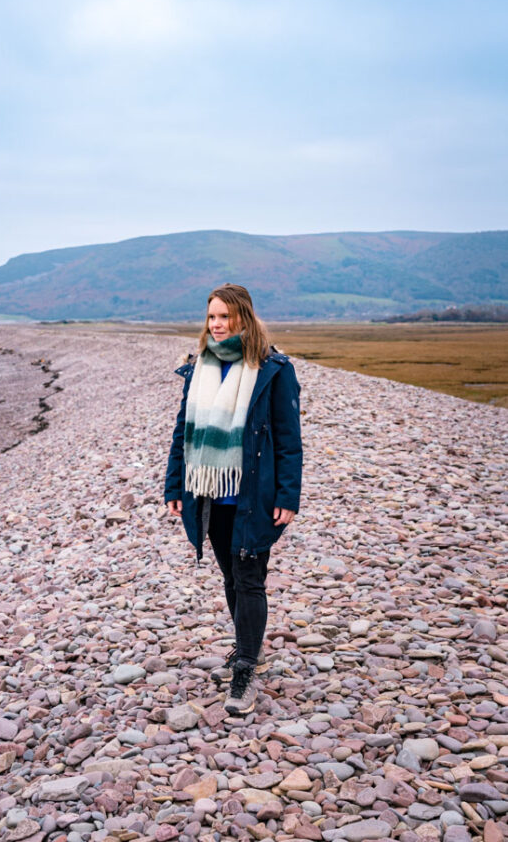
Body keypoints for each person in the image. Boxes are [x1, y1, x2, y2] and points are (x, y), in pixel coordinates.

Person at [164, 283, 303, 716]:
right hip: (208, 493)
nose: (217, 325)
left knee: (249, 578)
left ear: (243, 317)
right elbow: (182, 433)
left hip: (253, 494)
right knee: (230, 577)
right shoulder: (199, 367)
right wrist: (174, 486)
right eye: (211, 318)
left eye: (225, 317)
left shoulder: (273, 370)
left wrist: (288, 496)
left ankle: (245, 668)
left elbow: (287, 440)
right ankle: (249, 648)